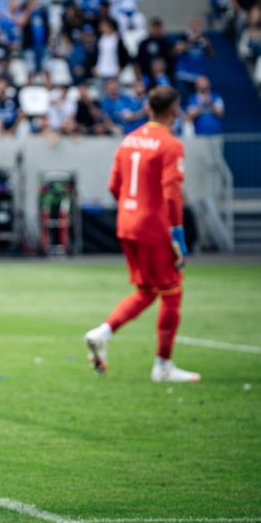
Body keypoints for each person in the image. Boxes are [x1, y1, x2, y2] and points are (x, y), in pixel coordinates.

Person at [84, 86, 200, 383]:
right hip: (153, 227)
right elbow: (172, 192)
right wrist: (177, 233)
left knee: (147, 291)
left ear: (148, 108)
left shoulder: (129, 140)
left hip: (127, 223)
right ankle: (163, 365)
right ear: (174, 110)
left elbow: (114, 185)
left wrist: (130, 208)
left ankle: (103, 332)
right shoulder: (171, 145)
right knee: (172, 290)